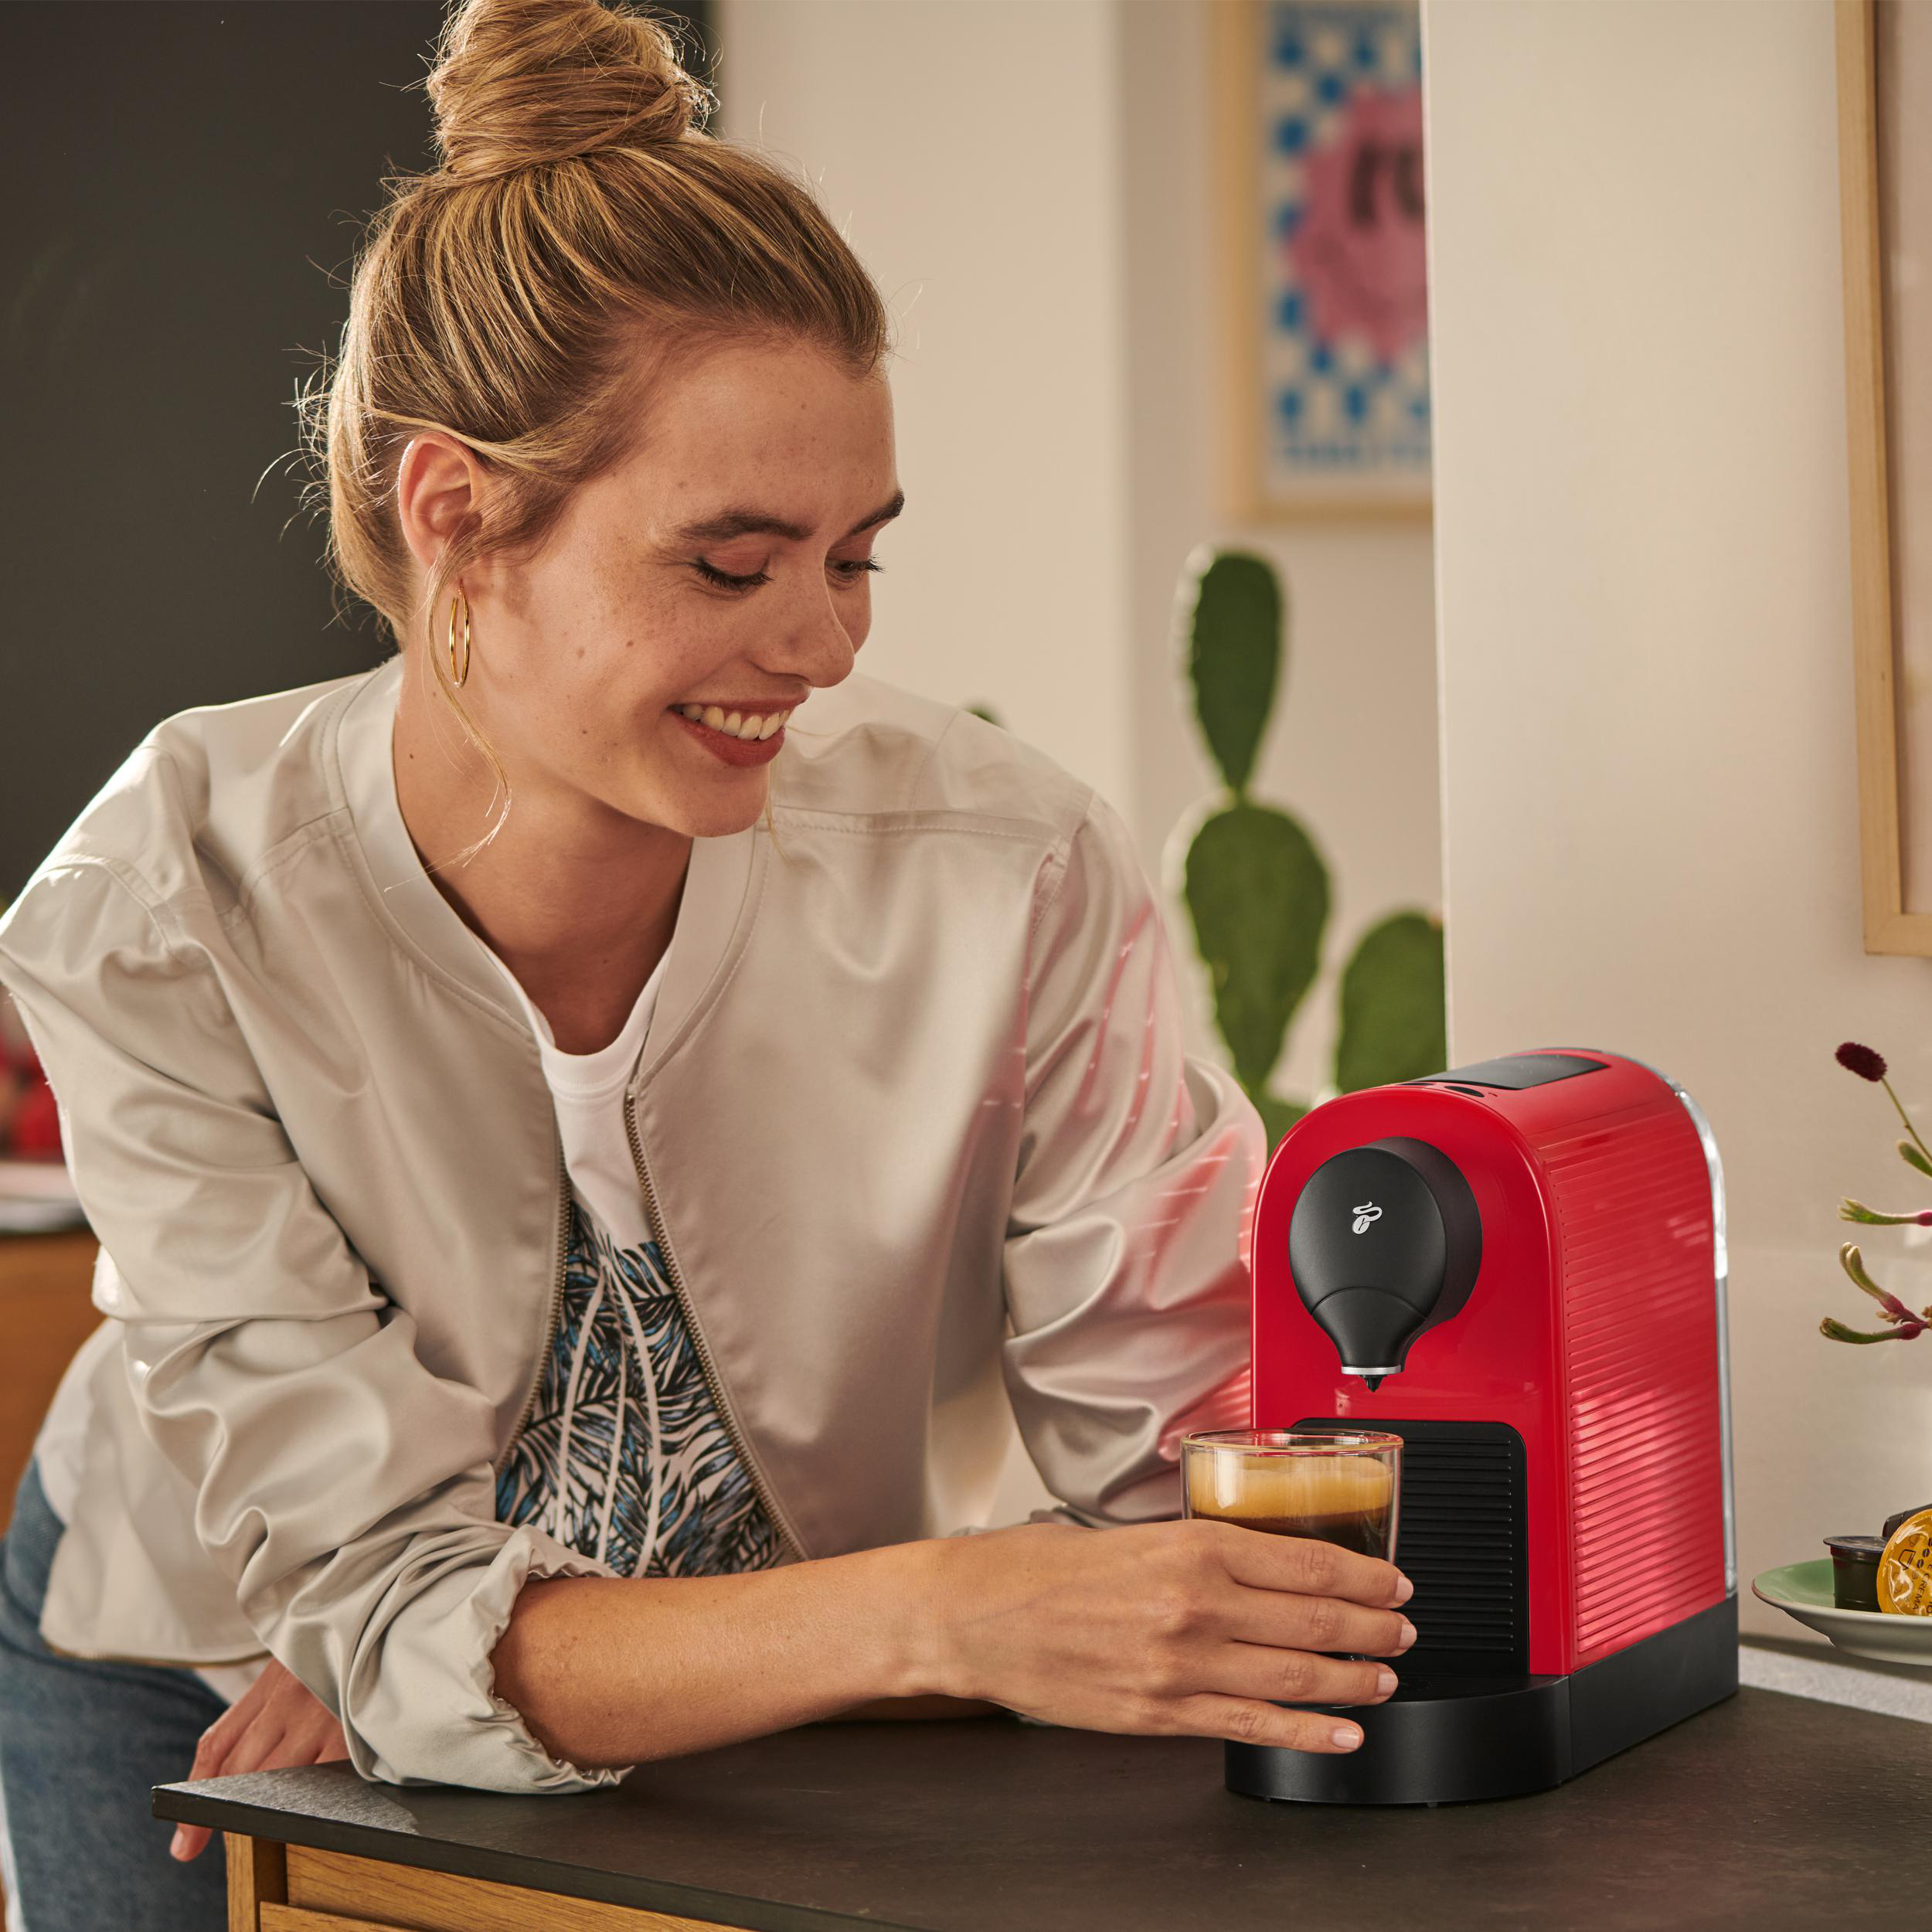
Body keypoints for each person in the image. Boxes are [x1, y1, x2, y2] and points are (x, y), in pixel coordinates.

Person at [0, 2, 1416, 1925]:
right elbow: (376, 1611)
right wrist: (416, 1654)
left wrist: (481, 1665)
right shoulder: (158, 901)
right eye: (732, 566)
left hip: (785, 1703)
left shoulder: (1011, 870)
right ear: (456, 518)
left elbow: (1176, 1497)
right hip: (203, 1669)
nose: (825, 646)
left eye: (858, 557)